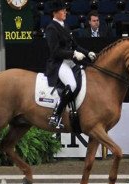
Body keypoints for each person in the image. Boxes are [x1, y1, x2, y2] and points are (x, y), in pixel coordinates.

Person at [45, 0, 96, 128]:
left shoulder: (65, 25)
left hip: (70, 62)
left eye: (65, 10)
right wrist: (73, 54)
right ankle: (55, 116)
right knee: (72, 85)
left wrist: (87, 52)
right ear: (55, 13)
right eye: (62, 10)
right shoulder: (51, 28)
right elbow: (55, 51)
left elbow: (75, 45)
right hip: (59, 63)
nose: (65, 12)